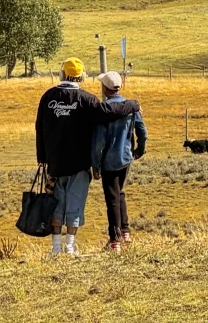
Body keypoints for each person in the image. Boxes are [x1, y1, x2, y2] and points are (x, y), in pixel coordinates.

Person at [35, 57, 141, 256]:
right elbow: (108, 111)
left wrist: (42, 158)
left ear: (62, 74)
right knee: (74, 205)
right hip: (79, 163)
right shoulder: (85, 99)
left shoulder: (48, 97)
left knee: (56, 205)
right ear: (81, 77)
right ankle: (69, 247)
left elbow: (39, 128)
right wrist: (132, 104)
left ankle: (56, 248)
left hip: (55, 164)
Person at [91, 70, 146, 250]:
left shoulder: (103, 112)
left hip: (109, 161)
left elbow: (98, 142)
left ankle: (115, 240)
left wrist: (96, 165)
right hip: (126, 157)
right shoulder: (131, 107)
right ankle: (125, 231)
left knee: (112, 198)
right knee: (120, 193)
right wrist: (139, 150)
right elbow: (142, 131)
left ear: (105, 89)